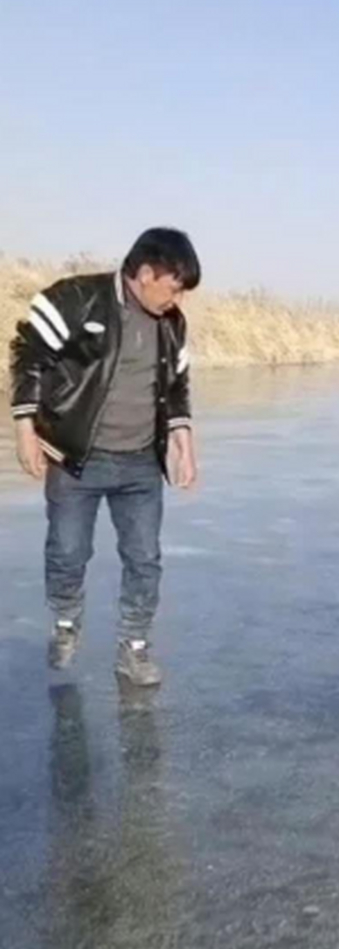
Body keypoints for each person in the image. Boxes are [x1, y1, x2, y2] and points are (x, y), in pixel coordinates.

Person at [9, 227, 200, 685]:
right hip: (76, 459)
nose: (178, 300)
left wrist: (184, 444)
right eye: (175, 288)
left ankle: (134, 649)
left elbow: (176, 386)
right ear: (147, 273)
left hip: (139, 463)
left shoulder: (171, 323)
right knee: (69, 552)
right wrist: (24, 429)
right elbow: (26, 355)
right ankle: (66, 620)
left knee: (145, 558)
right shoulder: (76, 299)